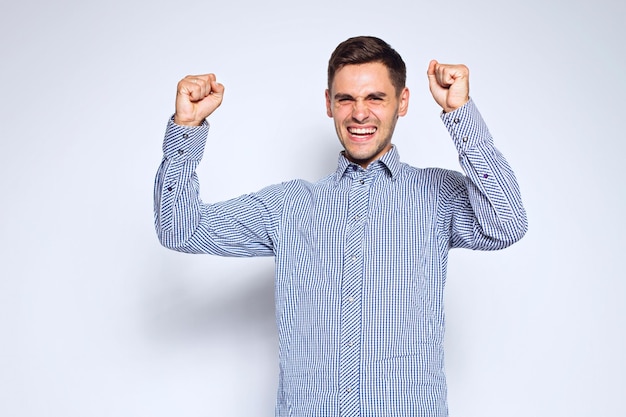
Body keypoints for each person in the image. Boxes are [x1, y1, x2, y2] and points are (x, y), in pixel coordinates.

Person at [154, 36, 527, 417]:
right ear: (329, 104)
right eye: (346, 98)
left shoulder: (436, 194)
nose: (359, 113)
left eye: (375, 98)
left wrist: (460, 112)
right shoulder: (288, 206)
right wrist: (187, 127)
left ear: (403, 102)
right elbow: (180, 229)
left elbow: (507, 223)